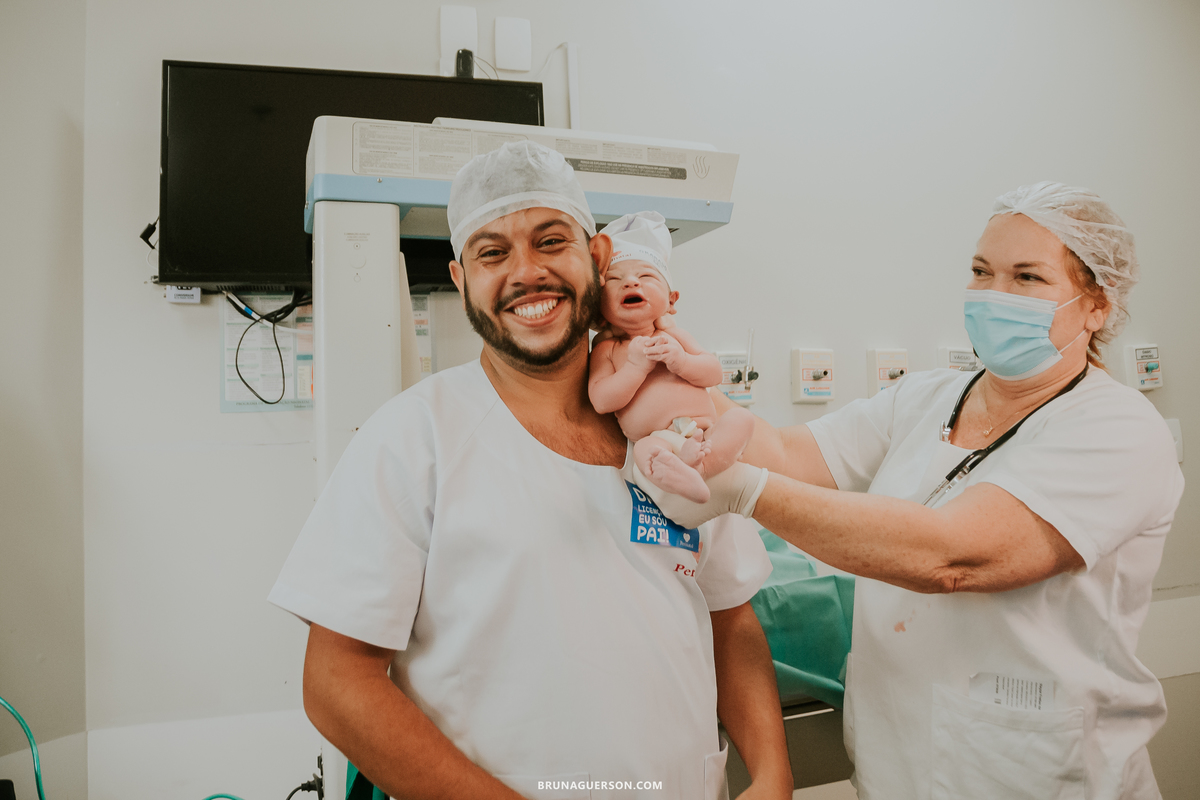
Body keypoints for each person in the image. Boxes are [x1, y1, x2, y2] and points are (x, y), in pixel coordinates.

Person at [268, 140, 793, 800]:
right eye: (493, 252)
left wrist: (773, 773)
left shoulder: (676, 432)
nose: (526, 272)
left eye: (550, 241)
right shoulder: (413, 438)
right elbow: (337, 681)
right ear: (462, 279)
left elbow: (731, 618)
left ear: (597, 257)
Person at [641, 182, 1185, 800]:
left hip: (1036, 772)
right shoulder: (928, 396)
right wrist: (675, 369)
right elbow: (790, 455)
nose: (994, 295)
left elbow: (952, 556)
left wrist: (743, 491)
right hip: (897, 764)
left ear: (1096, 306)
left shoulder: (1117, 428)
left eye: (1027, 278)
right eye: (981, 271)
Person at [589, 211, 755, 504]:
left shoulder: (676, 338)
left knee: (742, 419)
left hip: (705, 433)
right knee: (643, 452)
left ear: (672, 300)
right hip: (657, 439)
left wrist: (682, 362)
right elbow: (601, 401)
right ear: (598, 312)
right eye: (615, 279)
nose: (630, 283)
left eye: (645, 276)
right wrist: (635, 368)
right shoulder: (609, 350)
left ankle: (699, 467)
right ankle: (681, 469)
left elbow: (714, 373)